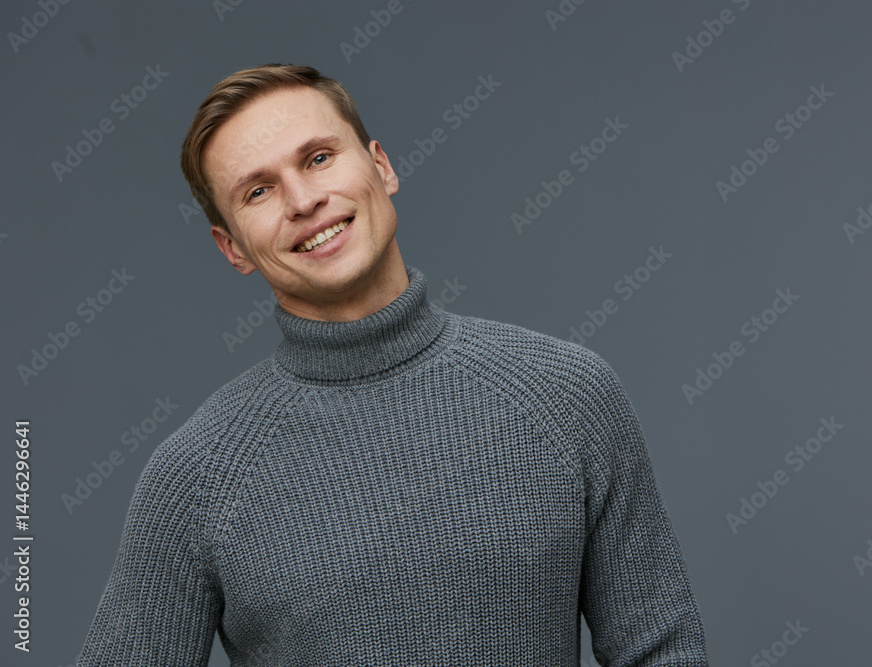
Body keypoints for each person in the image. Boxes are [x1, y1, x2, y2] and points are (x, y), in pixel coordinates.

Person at [78, 63, 710, 666]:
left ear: (381, 166)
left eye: (319, 157)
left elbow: (664, 651)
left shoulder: (567, 395)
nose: (304, 200)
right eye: (259, 191)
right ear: (232, 247)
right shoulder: (198, 476)